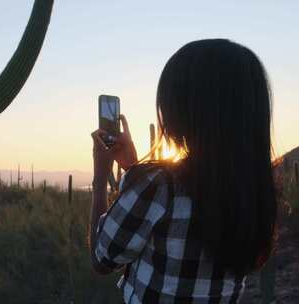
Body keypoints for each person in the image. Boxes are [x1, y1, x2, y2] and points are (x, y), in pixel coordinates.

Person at [89, 39, 277, 303]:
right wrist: (133, 169)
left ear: (181, 111)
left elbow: (102, 258)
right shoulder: (255, 191)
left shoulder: (158, 186)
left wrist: (100, 178)